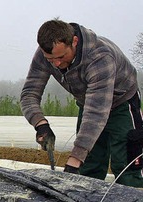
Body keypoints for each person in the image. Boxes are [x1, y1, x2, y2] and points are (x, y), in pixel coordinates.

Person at [20, 19, 143, 187]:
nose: (56, 64)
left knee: (126, 168)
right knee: (90, 167)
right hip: (88, 102)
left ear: (74, 42)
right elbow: (29, 94)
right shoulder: (44, 55)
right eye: (51, 59)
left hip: (122, 103)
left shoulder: (99, 57)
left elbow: (96, 112)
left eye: (61, 57)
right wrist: (40, 124)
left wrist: (74, 160)